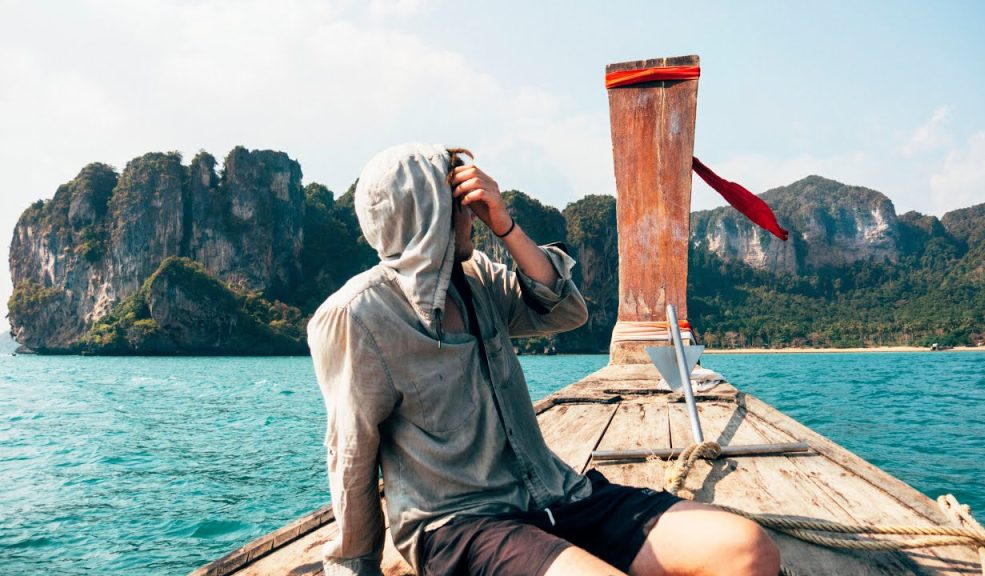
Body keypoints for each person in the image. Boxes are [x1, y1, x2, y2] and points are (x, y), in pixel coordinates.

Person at [308, 143, 780, 576]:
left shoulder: (479, 283)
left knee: (747, 550)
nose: (473, 214)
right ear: (429, 213)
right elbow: (351, 453)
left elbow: (566, 310)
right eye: (462, 204)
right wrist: (356, 565)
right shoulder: (358, 316)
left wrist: (506, 224)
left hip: (558, 495)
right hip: (462, 527)